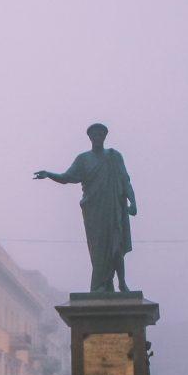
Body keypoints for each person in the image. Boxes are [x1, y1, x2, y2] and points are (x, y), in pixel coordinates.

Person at [34, 123, 137, 292]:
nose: (97, 137)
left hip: (113, 208)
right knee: (98, 249)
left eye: (100, 134)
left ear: (104, 137)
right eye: (94, 135)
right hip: (94, 211)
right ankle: (102, 284)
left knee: (116, 246)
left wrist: (133, 202)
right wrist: (48, 174)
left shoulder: (114, 157)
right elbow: (67, 177)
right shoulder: (83, 159)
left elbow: (125, 181)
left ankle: (122, 283)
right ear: (90, 138)